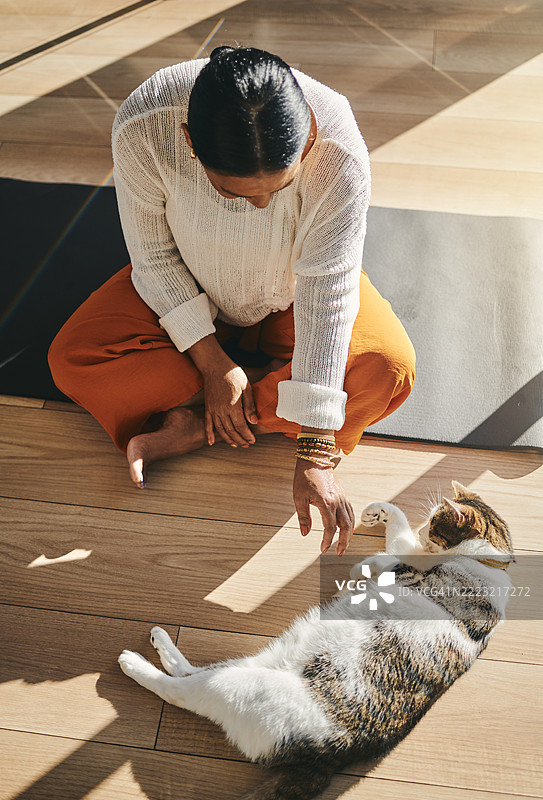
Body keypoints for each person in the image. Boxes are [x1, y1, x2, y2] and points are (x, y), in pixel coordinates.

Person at [48, 46, 415, 558]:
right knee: (74, 359)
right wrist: (212, 360)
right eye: (234, 193)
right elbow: (152, 257)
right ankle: (249, 403)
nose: (262, 206)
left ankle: (202, 423)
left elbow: (328, 292)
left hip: (297, 295)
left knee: (387, 367)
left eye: (278, 188)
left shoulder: (340, 149)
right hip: (183, 284)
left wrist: (315, 449)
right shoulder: (143, 123)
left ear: (307, 135)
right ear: (190, 142)